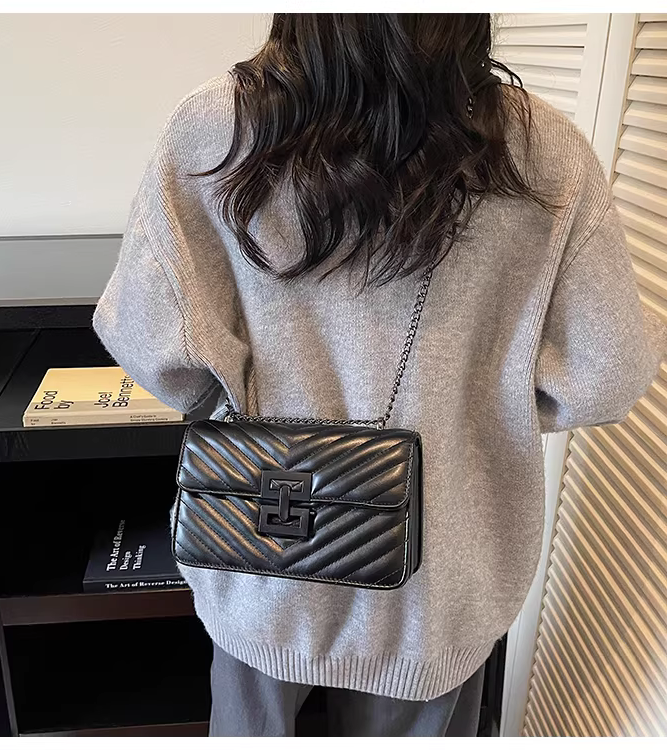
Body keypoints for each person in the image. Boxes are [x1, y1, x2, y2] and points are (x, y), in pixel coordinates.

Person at [93, 13, 666, 737]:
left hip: (260, 551)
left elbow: (150, 341)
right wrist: (482, 407)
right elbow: (608, 372)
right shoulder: (540, 151)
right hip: (436, 593)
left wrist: (243, 401)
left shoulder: (217, 128)